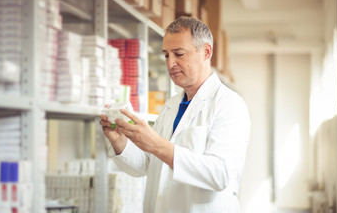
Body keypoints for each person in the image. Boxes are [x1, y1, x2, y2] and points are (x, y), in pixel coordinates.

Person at [99, 16, 250, 213]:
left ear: (206, 52)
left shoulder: (229, 104)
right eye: (166, 55)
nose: (170, 64)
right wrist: (119, 141)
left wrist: (157, 144)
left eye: (179, 54)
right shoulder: (172, 105)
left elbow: (220, 174)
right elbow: (147, 165)